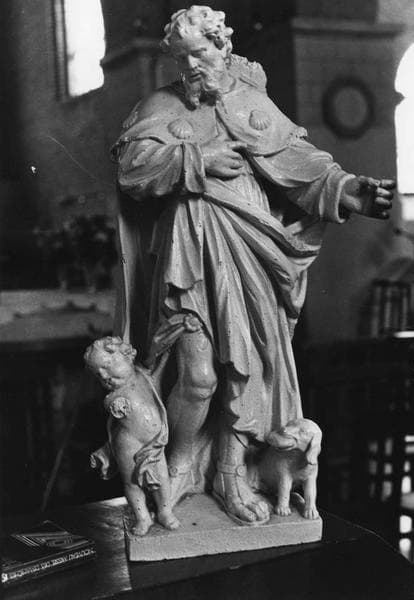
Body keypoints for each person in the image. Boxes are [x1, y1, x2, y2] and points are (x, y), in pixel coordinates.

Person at [111, 6, 395, 525]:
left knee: (251, 367)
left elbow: (299, 164)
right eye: (182, 58)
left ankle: (230, 472)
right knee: (198, 376)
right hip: (190, 250)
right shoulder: (159, 105)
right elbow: (132, 171)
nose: (192, 66)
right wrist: (196, 161)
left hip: (251, 247)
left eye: (200, 52)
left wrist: (346, 188)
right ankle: (179, 465)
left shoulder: (251, 101)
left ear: (222, 45)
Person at [85, 336, 180, 535]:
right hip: (128, 444)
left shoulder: (144, 376)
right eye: (98, 374)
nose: (104, 376)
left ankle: (165, 511)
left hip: (154, 443)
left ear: (127, 356)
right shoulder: (113, 398)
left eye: (107, 366)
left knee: (162, 477)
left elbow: (160, 364)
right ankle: (142, 517)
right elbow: (114, 411)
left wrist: (168, 350)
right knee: (131, 482)